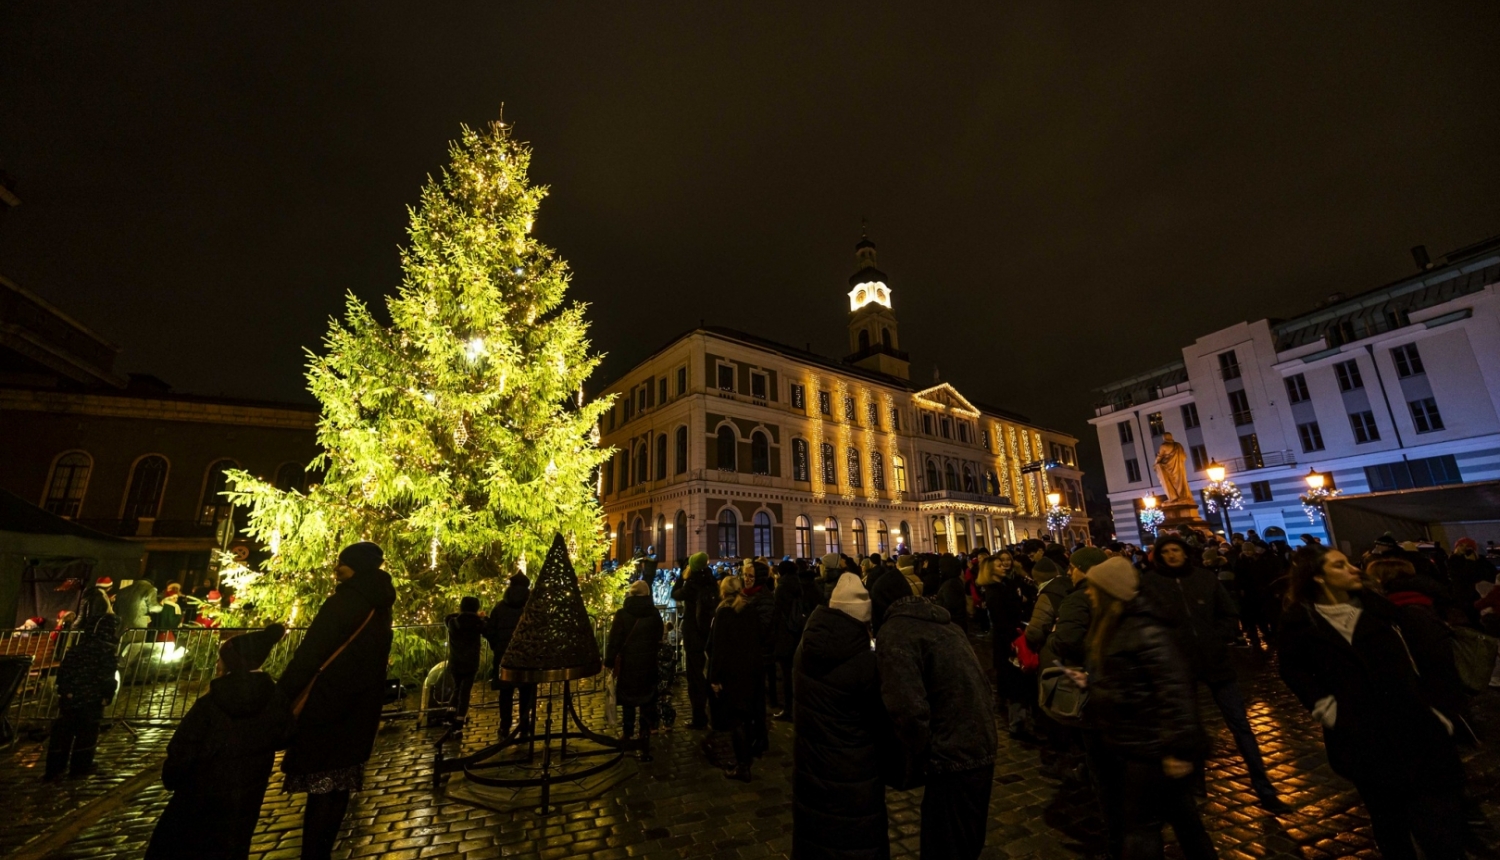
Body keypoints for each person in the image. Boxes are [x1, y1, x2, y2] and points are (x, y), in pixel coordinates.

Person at [1278, 546, 1467, 860]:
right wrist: (1324, 706)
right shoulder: (1300, 623)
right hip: (1360, 738)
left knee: (1438, 826)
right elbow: (1292, 669)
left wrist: (1440, 711)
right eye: (1340, 565)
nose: (1354, 568)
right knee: (1388, 821)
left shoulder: (1385, 612)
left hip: (1414, 730)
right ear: (1318, 577)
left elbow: (1433, 662)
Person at [1070, 557, 1216, 860]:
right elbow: (1129, 677)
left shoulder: (1143, 628)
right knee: (1184, 820)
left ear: (1109, 591)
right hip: (1140, 744)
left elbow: (1175, 691)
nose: (1087, 592)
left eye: (1094, 587)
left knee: (1142, 827)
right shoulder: (1118, 623)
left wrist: (1178, 750)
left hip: (1151, 747)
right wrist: (1093, 681)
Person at [1142, 534, 1289, 815]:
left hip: (1216, 661)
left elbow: (1227, 612)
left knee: (1240, 725)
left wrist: (1216, 637)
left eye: (1177, 550)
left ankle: (1264, 786)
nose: (1172, 555)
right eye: (1167, 551)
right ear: (1159, 556)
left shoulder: (1204, 578)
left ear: (1185, 553)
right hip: (1180, 666)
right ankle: (1196, 785)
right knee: (1190, 726)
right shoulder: (1150, 583)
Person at [277, 541, 396, 860]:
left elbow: (312, 652)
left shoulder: (345, 603)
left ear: (355, 566)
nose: (335, 569)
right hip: (359, 707)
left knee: (320, 786)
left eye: (342, 563)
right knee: (339, 783)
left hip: (328, 703)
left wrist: (283, 694)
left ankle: (313, 855)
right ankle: (324, 851)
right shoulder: (381, 605)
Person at [146, 623, 294, 860]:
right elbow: (284, 736)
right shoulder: (274, 698)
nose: (217, 664)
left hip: (199, 794)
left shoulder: (211, 703)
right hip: (246, 795)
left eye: (221, 659)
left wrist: (173, 776)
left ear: (232, 663)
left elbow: (185, 746)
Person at [878, 594, 996, 859]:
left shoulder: (895, 633)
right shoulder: (947, 625)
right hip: (981, 740)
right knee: (966, 841)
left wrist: (920, 752)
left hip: (951, 751)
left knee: (944, 846)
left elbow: (907, 708)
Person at [792, 573, 889, 860]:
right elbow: (880, 723)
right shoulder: (864, 662)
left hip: (810, 770)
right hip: (853, 778)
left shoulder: (805, 648)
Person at [45, 613, 118, 781]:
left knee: (64, 733)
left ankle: (55, 768)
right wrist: (107, 695)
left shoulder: (76, 650)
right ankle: (80, 766)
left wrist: (65, 690)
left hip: (71, 698)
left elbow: (64, 672)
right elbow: (107, 677)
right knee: (86, 734)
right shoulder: (104, 652)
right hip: (91, 699)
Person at [708, 575, 762, 782]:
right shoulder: (749, 608)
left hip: (732, 672)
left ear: (723, 591)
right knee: (747, 715)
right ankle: (746, 759)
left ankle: (742, 765)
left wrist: (714, 676)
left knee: (735, 718)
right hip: (750, 669)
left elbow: (717, 648)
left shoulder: (723, 612)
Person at [606, 580, 664, 760]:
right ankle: (644, 733)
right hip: (648, 663)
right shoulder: (654, 614)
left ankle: (628, 733)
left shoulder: (623, 614)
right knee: (647, 699)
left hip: (628, 663)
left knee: (629, 700)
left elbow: (615, 639)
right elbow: (659, 636)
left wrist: (608, 661)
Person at [981, 550, 1037, 736]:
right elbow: (1002, 621)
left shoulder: (1006, 585)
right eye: (998, 564)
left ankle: (1019, 719)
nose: (1004, 565)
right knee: (1015, 682)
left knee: (1016, 681)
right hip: (1009, 642)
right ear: (990, 570)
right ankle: (1017, 724)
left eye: (1005, 562)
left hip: (1012, 638)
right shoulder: (995, 592)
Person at [484, 573, 537, 739]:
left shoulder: (500, 607)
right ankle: (524, 724)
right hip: (526, 656)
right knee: (526, 692)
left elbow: (490, 631)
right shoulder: (531, 607)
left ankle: (505, 725)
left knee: (505, 693)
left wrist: (497, 646)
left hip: (504, 655)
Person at [671, 552, 718, 729]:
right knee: (710, 675)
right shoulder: (711, 579)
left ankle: (699, 718)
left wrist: (682, 578)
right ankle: (715, 716)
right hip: (708, 633)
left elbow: (674, 594)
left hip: (694, 634)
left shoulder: (692, 584)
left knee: (695, 678)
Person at [771, 560, 810, 720]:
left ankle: (788, 710)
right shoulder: (800, 584)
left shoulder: (781, 587)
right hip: (799, 633)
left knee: (787, 675)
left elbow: (778, 613)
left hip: (785, 635)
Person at [443, 596, 485, 724]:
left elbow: (448, 617)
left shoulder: (453, 622)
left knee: (457, 688)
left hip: (455, 661)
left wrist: (462, 614)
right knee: (465, 691)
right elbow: (487, 628)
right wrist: (478, 617)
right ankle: (460, 718)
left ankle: (450, 712)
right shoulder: (477, 623)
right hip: (471, 662)